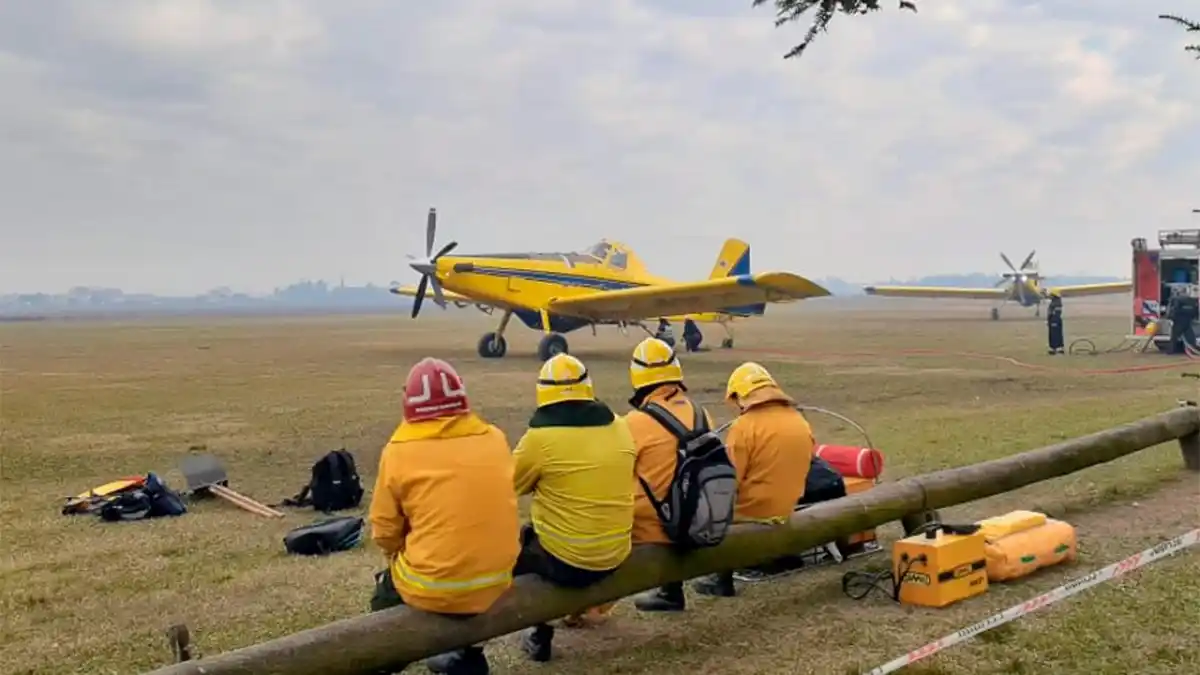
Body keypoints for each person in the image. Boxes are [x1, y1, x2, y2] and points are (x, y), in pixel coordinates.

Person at [369, 357, 521, 675]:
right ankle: (466, 655)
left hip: (437, 586)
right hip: (498, 578)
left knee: (386, 593)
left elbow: (384, 531)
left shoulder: (397, 452)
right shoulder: (494, 437)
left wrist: (397, 555)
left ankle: (387, 660)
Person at [510, 353, 638, 662]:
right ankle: (577, 611)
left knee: (515, 550)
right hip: (617, 553)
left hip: (568, 561)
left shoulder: (538, 440)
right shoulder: (620, 427)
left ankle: (538, 633)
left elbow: (505, 490)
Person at [691, 362, 814, 598]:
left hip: (751, 515)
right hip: (788, 508)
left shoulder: (744, 427)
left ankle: (721, 579)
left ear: (740, 396)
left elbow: (728, 483)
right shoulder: (799, 421)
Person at [623, 337, 714, 612]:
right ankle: (670, 590)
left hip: (655, 531)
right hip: (702, 520)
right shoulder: (702, 414)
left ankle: (583, 610)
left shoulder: (635, 422)